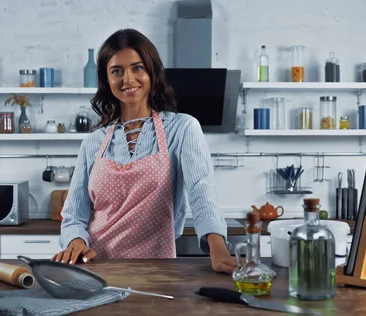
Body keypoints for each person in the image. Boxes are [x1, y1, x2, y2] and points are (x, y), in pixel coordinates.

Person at [52, 28, 235, 274]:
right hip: (96, 269)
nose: (128, 79)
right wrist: (76, 242)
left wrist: (217, 246)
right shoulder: (93, 142)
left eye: (137, 68)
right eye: (117, 71)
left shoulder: (182, 128)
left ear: (152, 72)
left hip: (157, 270)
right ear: (107, 80)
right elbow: (74, 216)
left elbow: (201, 190)